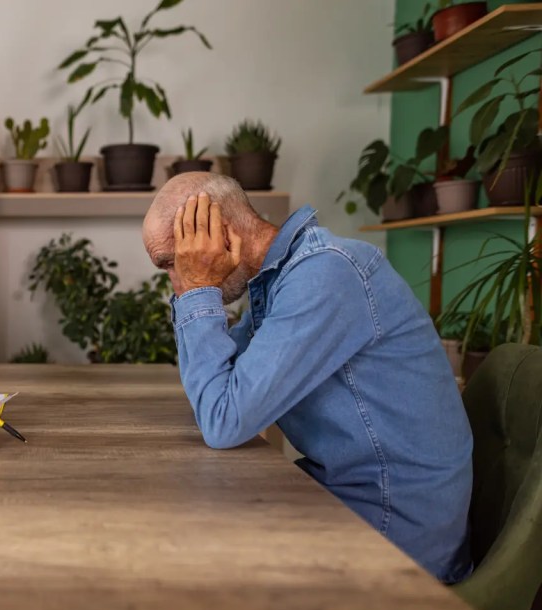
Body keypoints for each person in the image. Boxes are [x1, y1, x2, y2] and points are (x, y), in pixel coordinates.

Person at [141, 172, 473, 583]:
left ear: (217, 232)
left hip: (393, 537)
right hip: (346, 503)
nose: (178, 281)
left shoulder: (325, 275)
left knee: (187, 558)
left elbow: (222, 420)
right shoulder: (282, 282)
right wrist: (196, 292)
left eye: (176, 262)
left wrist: (196, 291)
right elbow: (217, 391)